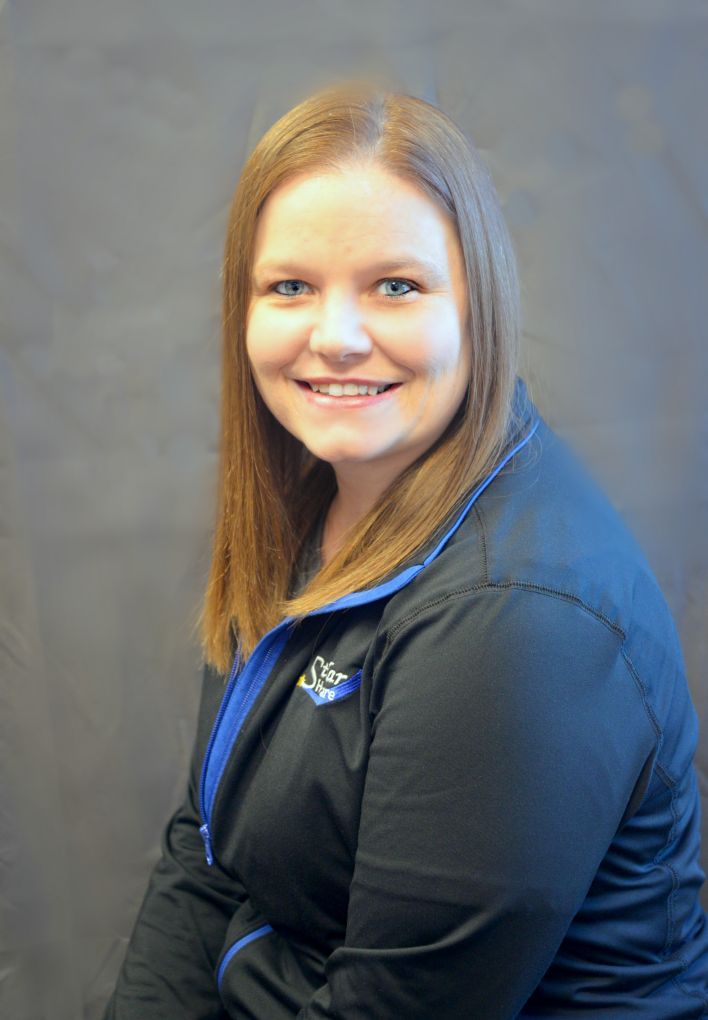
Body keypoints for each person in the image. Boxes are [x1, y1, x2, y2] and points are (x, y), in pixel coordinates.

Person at [103, 80, 708, 1019]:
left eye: (396, 286)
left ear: (478, 306)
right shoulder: (312, 505)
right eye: (290, 286)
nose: (336, 336)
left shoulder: (518, 620)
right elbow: (207, 853)